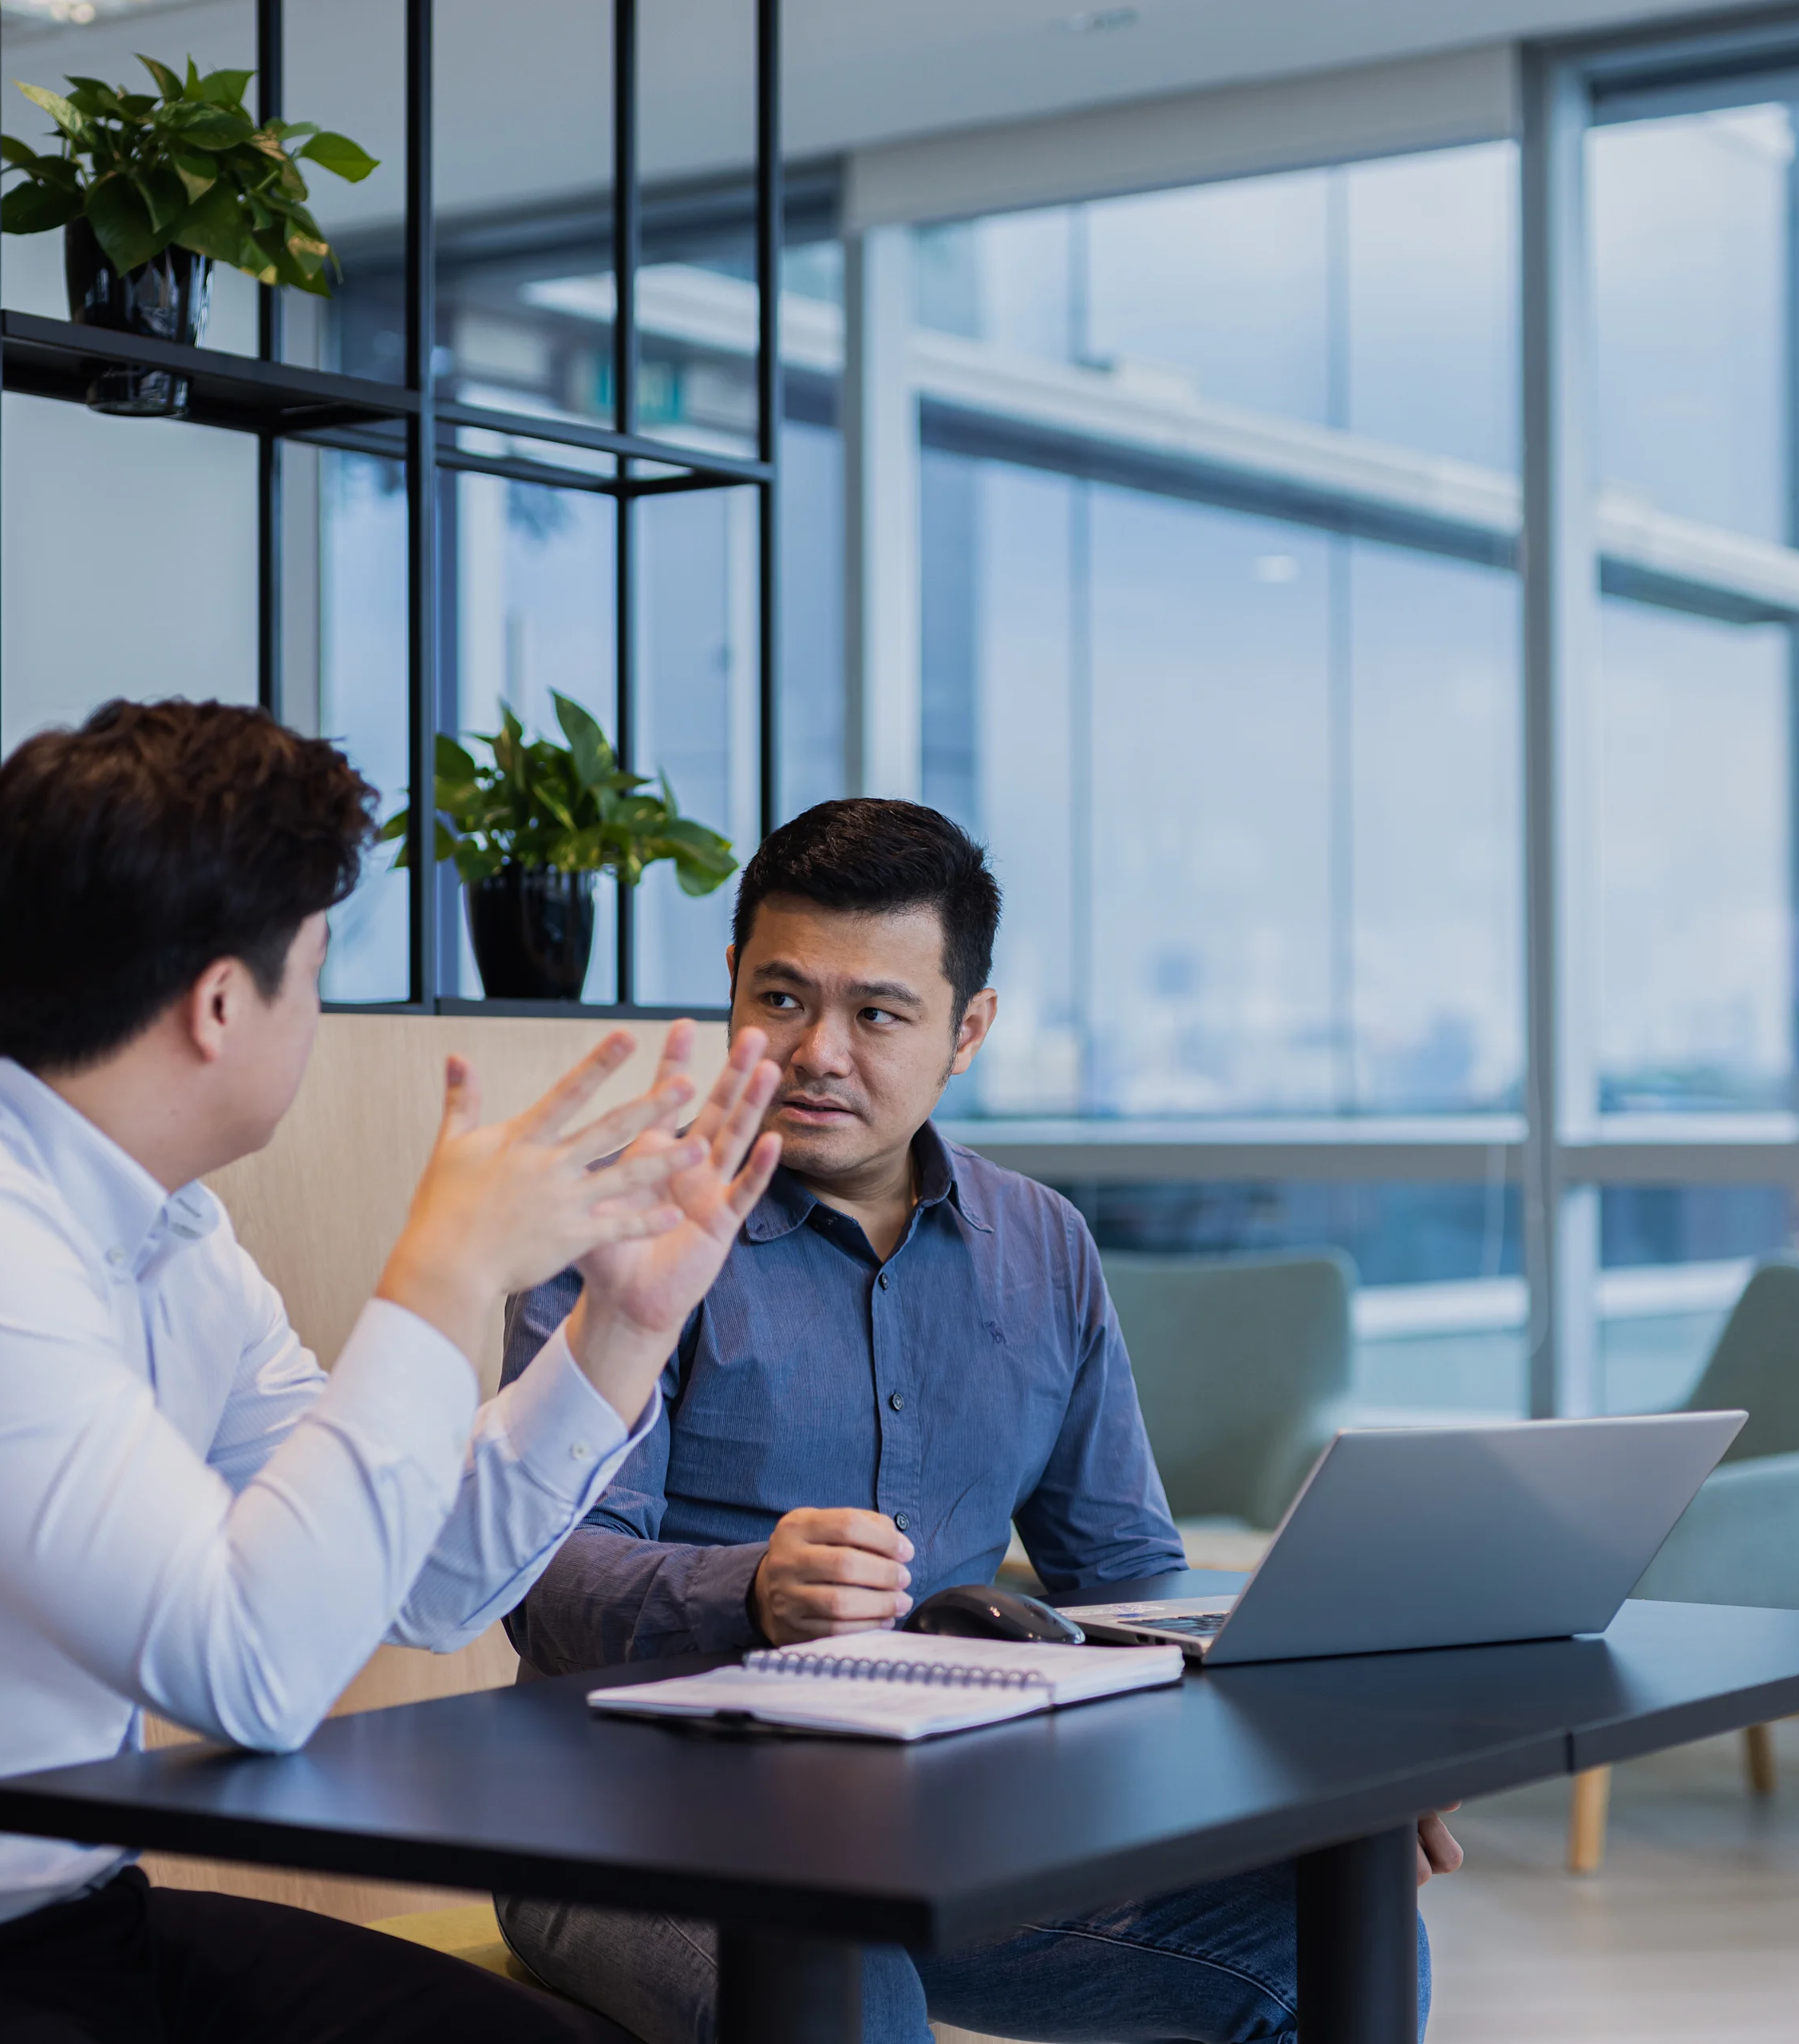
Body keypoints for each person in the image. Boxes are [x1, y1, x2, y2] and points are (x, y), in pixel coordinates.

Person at [0, 699, 784, 2044]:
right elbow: (248, 1671)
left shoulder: (167, 1232)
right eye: (311, 973)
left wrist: (623, 1327)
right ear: (218, 1003)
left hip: (64, 1930)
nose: (314, 1014)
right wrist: (443, 1270)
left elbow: (416, 1580)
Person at [492, 798, 1461, 2044]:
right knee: (849, 1987)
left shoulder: (1042, 1246)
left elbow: (1128, 1579)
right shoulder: (630, 1221)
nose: (818, 1052)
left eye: (879, 1014)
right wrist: (749, 1593)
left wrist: (1319, 1771)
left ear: (969, 1031)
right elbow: (543, 1571)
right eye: (781, 999)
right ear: (731, 981)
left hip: (948, 1822)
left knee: (1330, 1939)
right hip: (627, 1824)